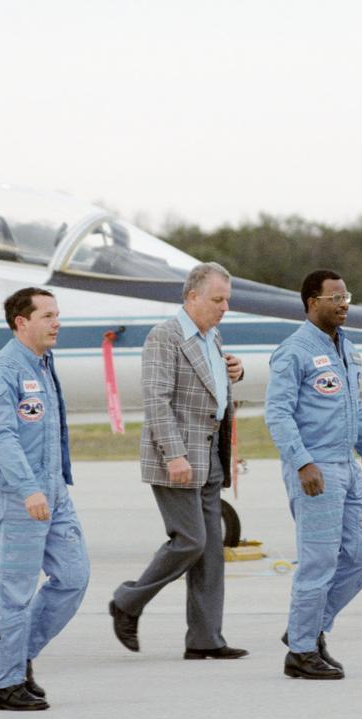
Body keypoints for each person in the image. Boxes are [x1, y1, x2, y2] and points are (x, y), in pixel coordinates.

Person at [108, 262, 247, 661]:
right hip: (179, 458)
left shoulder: (211, 336)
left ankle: (205, 638)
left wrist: (234, 371)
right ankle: (127, 602)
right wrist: (175, 455)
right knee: (190, 541)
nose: (224, 308)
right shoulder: (164, 337)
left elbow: (209, 387)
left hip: (209, 455)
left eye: (227, 300)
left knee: (210, 552)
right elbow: (156, 401)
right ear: (191, 297)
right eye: (217, 300)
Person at [265, 269, 362, 680]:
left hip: (348, 466)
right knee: (318, 562)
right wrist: (302, 462)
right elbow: (278, 413)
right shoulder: (294, 352)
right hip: (315, 468)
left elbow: (355, 410)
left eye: (346, 296)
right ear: (311, 302)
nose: (343, 304)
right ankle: (301, 653)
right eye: (334, 297)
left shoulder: (347, 349)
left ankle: (308, 627)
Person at [0, 287, 90, 711]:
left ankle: (15, 652)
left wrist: (52, 487)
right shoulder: (3, 372)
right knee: (15, 591)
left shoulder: (43, 365)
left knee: (74, 577)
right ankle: (6, 686)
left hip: (54, 492)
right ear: (21, 322)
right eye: (47, 315)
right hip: (19, 495)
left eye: (57, 314)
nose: (56, 322)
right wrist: (29, 491)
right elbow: (1, 440)